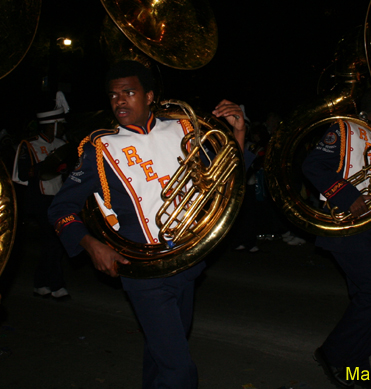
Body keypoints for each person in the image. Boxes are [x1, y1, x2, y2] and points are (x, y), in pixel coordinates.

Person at [47, 60, 244, 389]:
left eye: (128, 92)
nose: (119, 100)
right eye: (113, 95)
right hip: (143, 274)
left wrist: (238, 132)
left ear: (150, 96)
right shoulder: (100, 148)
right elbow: (60, 208)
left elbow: (226, 178)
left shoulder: (183, 129)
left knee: (162, 353)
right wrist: (90, 244)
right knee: (179, 371)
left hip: (188, 262)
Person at [302, 88, 371, 389]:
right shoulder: (345, 128)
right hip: (347, 230)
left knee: (367, 298)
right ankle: (332, 353)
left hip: (368, 230)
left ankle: (358, 365)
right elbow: (312, 165)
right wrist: (347, 196)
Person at [13, 97, 70, 299]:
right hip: (41, 199)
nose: (63, 128)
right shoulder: (29, 145)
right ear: (51, 125)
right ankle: (56, 284)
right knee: (53, 242)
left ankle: (41, 283)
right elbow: (21, 174)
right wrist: (47, 165)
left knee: (54, 243)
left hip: (59, 199)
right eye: (60, 125)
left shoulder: (63, 144)